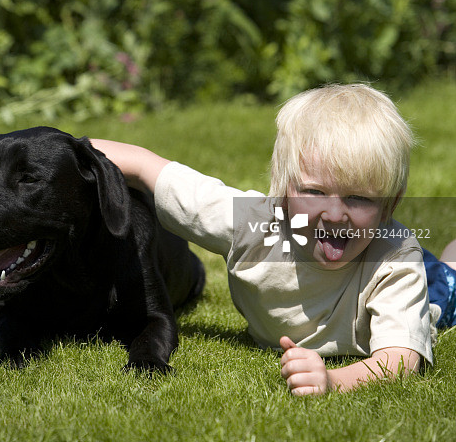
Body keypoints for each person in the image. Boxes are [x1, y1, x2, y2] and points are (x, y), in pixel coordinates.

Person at [91, 83, 456, 396]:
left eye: (359, 198)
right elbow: (144, 166)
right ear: (281, 192)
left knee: (445, 281)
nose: (334, 215)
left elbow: (401, 360)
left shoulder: (394, 262)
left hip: (409, 274)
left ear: (389, 204)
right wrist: (48, 151)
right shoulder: (251, 222)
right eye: (314, 191)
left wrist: (332, 380)